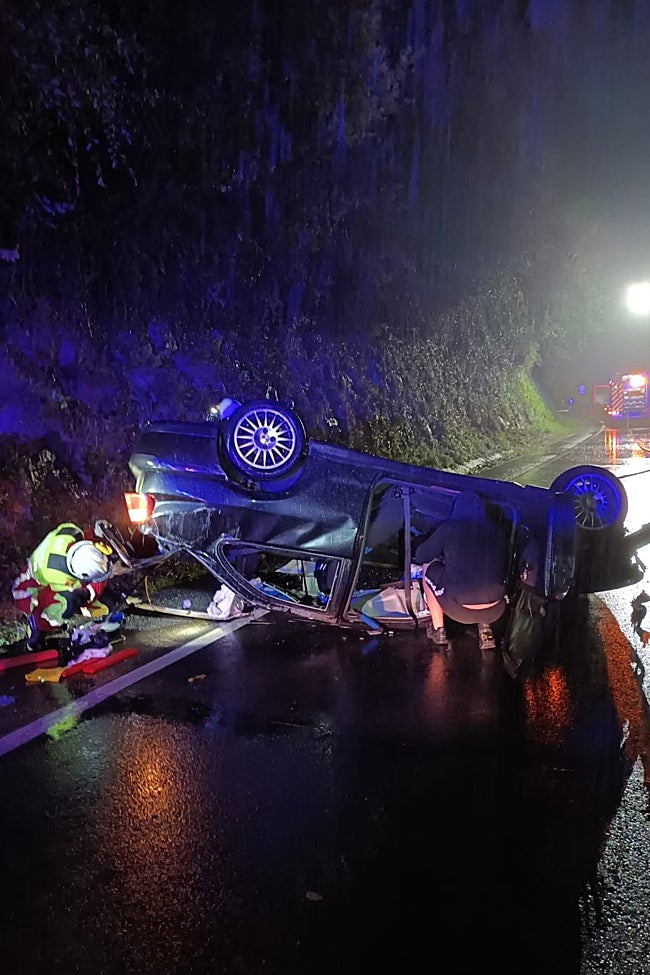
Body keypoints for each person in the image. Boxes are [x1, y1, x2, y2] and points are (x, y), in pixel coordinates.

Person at [415, 490, 510, 650]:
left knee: (428, 568)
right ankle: (486, 632)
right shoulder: (497, 531)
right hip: (496, 609)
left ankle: (439, 631)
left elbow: (421, 556)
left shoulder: (449, 528)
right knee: (484, 575)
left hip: (460, 611)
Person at [12, 522, 116, 652]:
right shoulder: (58, 574)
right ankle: (39, 626)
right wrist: (104, 580)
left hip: (41, 576)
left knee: (100, 599)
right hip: (26, 594)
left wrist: (96, 534)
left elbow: (85, 538)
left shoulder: (73, 533)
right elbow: (85, 592)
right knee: (68, 603)